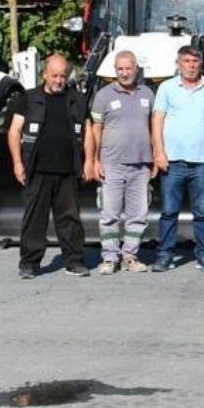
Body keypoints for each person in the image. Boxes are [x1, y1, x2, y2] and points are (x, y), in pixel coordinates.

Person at [8, 53, 89, 278]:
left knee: (71, 219)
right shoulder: (28, 98)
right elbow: (14, 131)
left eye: (63, 76)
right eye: (54, 75)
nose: (59, 80)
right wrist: (17, 163)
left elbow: (89, 131)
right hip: (37, 170)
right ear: (45, 74)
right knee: (35, 219)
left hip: (68, 171)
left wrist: (90, 161)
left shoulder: (77, 99)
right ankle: (29, 264)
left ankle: (74, 261)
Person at [151, 44, 204, 272]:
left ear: (201, 64)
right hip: (172, 161)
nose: (191, 66)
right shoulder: (166, 87)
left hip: (201, 162)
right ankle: (164, 254)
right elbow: (157, 120)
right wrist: (158, 152)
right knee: (169, 212)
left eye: (195, 62)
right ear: (178, 64)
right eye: (186, 61)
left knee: (202, 213)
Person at [84, 50, 154, 275]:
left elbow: (154, 128)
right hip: (111, 163)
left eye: (128, 68)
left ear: (136, 69)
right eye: (120, 69)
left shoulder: (148, 94)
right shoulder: (104, 95)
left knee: (138, 214)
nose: (125, 73)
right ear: (115, 71)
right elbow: (95, 129)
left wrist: (155, 157)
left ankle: (130, 256)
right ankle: (110, 257)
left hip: (141, 164)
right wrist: (94, 160)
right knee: (110, 214)